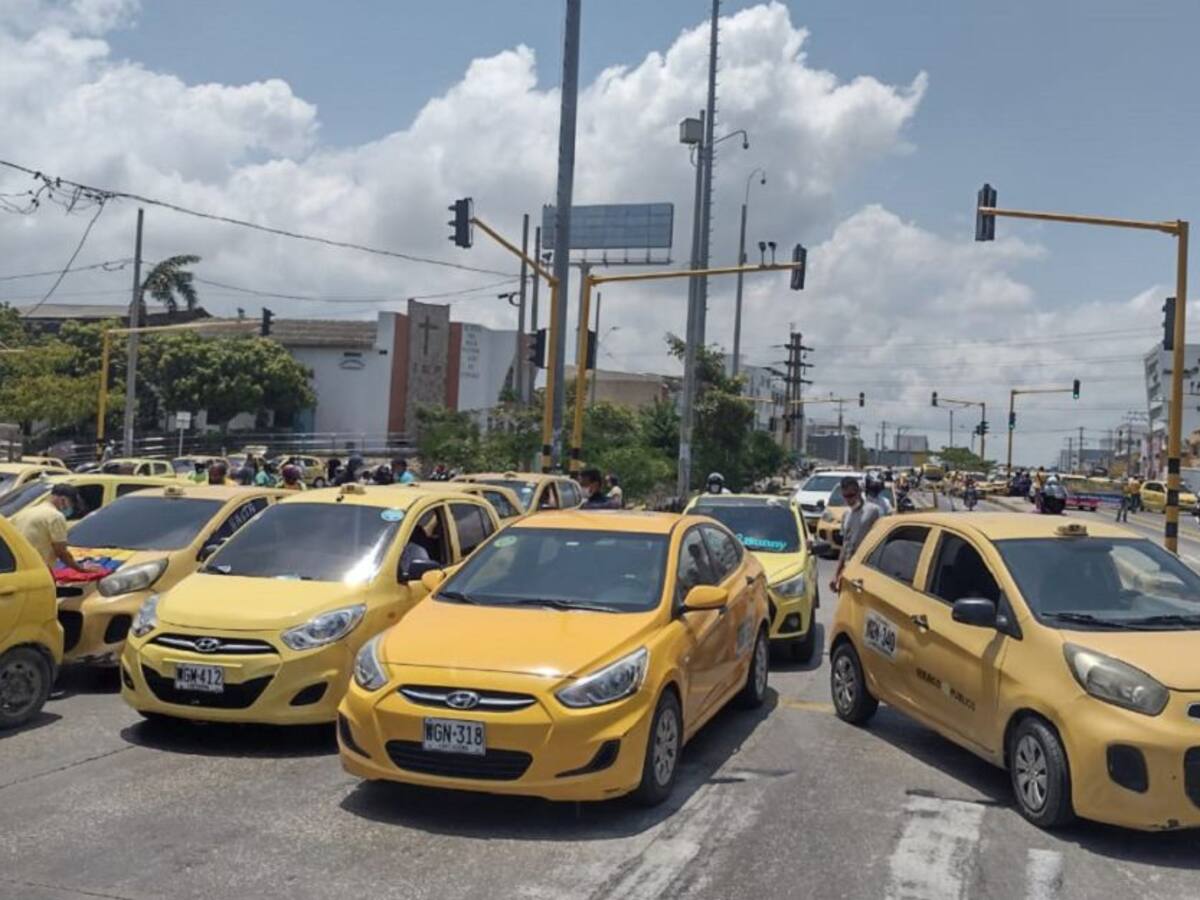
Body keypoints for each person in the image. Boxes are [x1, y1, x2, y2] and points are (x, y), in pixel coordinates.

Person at [11, 484, 93, 571]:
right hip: (39, 568)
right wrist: (80, 568)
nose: (71, 508)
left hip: (19, 567)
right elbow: (61, 551)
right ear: (63, 500)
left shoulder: (26, 512)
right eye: (71, 504)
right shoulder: (55, 516)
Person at [831, 476, 883, 593]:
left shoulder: (873, 511)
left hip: (866, 568)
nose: (849, 500)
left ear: (859, 492)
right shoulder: (846, 515)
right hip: (848, 568)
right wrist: (836, 575)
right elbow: (845, 546)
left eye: (851, 495)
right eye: (845, 496)